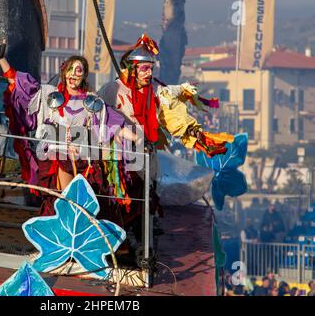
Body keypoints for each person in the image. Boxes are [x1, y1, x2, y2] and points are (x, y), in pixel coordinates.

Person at [98, 33, 234, 239]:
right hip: (119, 155)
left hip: (147, 152)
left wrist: (197, 136)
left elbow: (172, 117)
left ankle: (142, 234)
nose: (149, 72)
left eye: (151, 68)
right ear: (132, 68)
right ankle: (118, 233)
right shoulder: (112, 89)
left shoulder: (155, 92)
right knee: (121, 195)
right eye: (144, 68)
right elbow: (98, 116)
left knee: (147, 194)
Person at [0, 37, 135, 216]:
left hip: (84, 161)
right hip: (57, 157)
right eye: (71, 69)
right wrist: (1, 58)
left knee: (85, 205)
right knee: (65, 202)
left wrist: (139, 138)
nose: (74, 74)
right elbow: (17, 83)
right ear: (65, 72)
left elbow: (113, 124)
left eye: (79, 70)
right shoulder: (50, 95)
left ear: (84, 76)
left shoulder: (92, 101)